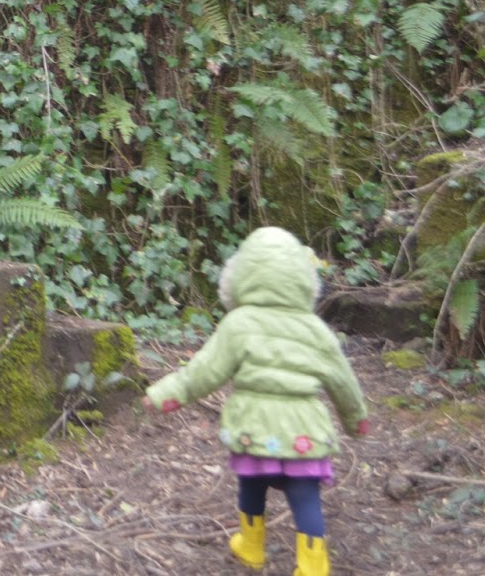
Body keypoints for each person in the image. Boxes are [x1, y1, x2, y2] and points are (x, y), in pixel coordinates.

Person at [143, 226, 370, 576]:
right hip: (303, 430)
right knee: (305, 495)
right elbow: (343, 381)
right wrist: (356, 420)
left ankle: (251, 547)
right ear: (302, 279)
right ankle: (313, 565)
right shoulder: (315, 330)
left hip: (254, 425)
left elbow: (204, 371)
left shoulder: (238, 324)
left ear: (241, 275)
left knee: (251, 484)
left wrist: (164, 395)